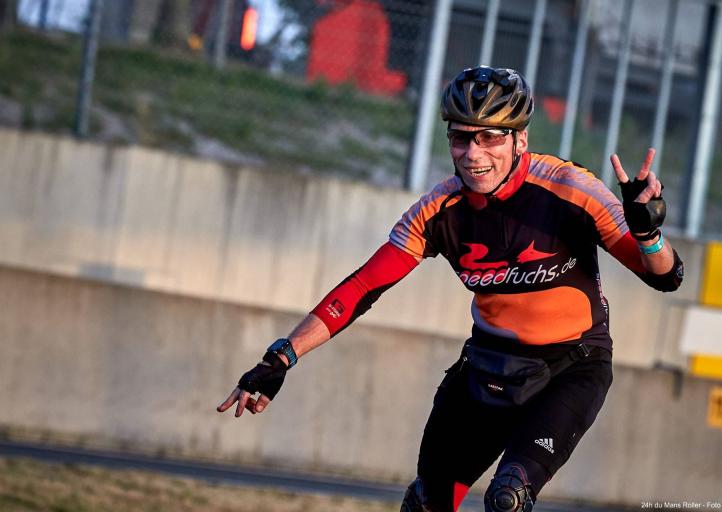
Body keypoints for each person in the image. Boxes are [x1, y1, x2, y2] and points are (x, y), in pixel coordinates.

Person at [217, 66, 684, 511]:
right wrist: (281, 357)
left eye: (489, 137)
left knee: (508, 496)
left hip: (570, 368)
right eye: (461, 138)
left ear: (520, 139)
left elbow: (666, 276)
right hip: (488, 367)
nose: (473, 154)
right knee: (428, 502)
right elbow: (362, 288)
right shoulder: (438, 210)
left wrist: (647, 234)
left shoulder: (570, 189)